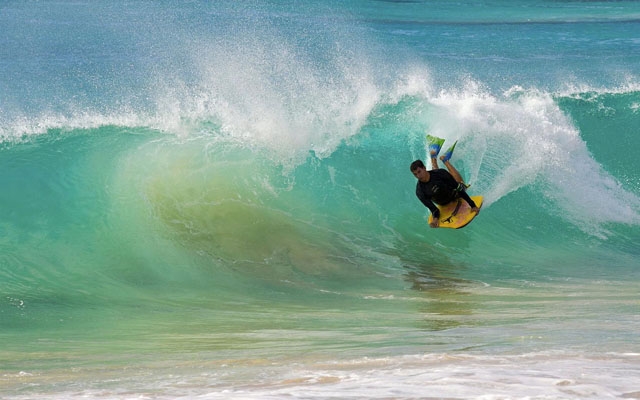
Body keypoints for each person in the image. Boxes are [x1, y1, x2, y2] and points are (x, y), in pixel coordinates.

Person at [410, 140, 479, 228]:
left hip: (454, 194)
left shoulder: (440, 173)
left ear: (424, 168)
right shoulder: (419, 191)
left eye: (419, 172)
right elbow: (433, 209)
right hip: (442, 203)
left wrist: (472, 205)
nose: (418, 176)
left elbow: (458, 188)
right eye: (415, 174)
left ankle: (445, 160)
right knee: (435, 175)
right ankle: (434, 159)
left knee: (460, 183)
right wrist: (435, 219)